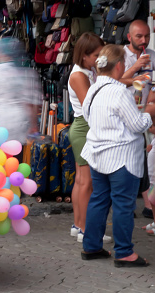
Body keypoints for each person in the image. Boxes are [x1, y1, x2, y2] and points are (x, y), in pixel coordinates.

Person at [80, 44, 155, 267]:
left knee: (99, 200)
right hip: (121, 157)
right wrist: (149, 113)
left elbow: (86, 114)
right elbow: (136, 125)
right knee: (123, 204)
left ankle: (91, 246)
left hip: (97, 153)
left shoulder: (93, 88)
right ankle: (124, 252)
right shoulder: (119, 92)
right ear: (120, 65)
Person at [67, 33, 111, 243]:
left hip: (82, 127)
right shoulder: (79, 75)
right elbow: (88, 106)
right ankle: (85, 229)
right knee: (87, 182)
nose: (99, 59)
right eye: (96, 55)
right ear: (84, 55)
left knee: (82, 180)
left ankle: (78, 225)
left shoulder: (86, 71)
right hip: (84, 127)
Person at [120, 20, 155, 221]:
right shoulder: (119, 56)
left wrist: (153, 95)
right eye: (139, 36)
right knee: (127, 161)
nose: (144, 40)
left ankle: (148, 205)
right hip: (124, 115)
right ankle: (126, 204)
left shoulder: (152, 55)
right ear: (129, 37)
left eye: (147, 36)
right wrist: (135, 67)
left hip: (146, 114)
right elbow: (113, 82)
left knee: (145, 159)